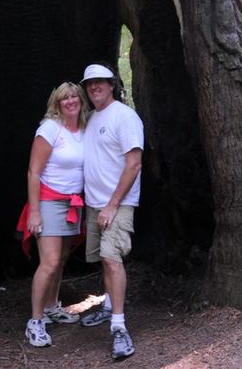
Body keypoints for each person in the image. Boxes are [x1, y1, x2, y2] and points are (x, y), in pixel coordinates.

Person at [16, 82, 90, 347]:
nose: (70, 101)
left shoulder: (83, 129)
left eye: (74, 96)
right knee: (49, 261)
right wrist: (34, 212)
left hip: (73, 203)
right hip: (48, 201)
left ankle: (51, 306)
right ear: (57, 103)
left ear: (81, 100)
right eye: (64, 98)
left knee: (62, 259)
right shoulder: (50, 128)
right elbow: (33, 172)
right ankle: (35, 321)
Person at [78, 63, 143, 359]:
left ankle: (119, 325)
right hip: (95, 203)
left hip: (117, 203)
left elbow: (134, 163)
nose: (94, 87)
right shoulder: (91, 118)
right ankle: (107, 308)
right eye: (90, 84)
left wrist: (113, 204)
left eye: (100, 82)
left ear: (112, 84)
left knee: (112, 258)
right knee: (103, 260)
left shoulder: (125, 117)